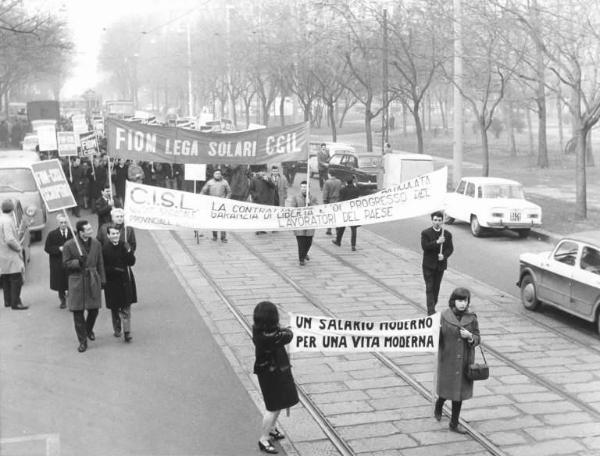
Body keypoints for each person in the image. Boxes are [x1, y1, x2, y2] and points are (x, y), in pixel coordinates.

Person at [252, 301, 299, 454]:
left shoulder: (261, 330)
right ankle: (264, 439)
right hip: (271, 373)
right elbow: (288, 335)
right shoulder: (269, 336)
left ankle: (271, 429)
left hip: (273, 371)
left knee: (278, 403)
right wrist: (290, 328)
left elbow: (281, 333)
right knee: (272, 407)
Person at [435, 287, 480, 434]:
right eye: (459, 300)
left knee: (458, 394)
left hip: (464, 363)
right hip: (448, 360)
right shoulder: (443, 316)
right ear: (453, 300)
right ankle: (439, 404)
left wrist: (470, 336)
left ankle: (453, 423)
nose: (462, 304)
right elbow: (437, 338)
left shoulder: (472, 318)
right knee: (446, 391)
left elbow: (478, 338)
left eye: (465, 300)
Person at [63, 220, 106, 353]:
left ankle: (88, 329)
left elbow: (100, 262)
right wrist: (77, 262)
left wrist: (102, 280)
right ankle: (82, 341)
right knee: (78, 313)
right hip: (77, 281)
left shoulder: (96, 244)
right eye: (87, 229)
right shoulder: (69, 245)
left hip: (92, 279)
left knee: (94, 310)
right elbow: (65, 264)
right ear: (81, 232)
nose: (91, 231)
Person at [102, 224, 136, 342]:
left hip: (125, 281)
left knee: (126, 307)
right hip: (112, 282)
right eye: (113, 234)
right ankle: (117, 328)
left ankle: (127, 332)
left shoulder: (124, 246)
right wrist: (114, 270)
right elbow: (103, 267)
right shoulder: (104, 249)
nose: (115, 236)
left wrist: (129, 252)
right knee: (115, 308)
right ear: (108, 235)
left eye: (117, 233)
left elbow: (131, 262)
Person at [421, 211, 454, 315]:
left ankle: (432, 307)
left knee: (436, 289)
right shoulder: (425, 233)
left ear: (442, 221)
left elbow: (450, 248)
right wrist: (437, 242)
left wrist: (444, 256)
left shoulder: (447, 234)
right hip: (428, 265)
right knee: (429, 288)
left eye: (439, 220)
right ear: (432, 220)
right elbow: (425, 247)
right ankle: (431, 312)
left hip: (440, 266)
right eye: (435, 220)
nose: (437, 222)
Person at [0, 199, 27, 310]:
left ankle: (8, 301)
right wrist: (19, 248)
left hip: (2, 253)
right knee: (16, 278)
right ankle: (16, 303)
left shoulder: (1, 219)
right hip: (10, 253)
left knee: (6, 277)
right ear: (12, 210)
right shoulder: (8, 221)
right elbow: (10, 239)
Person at [44, 213, 73, 308]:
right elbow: (47, 248)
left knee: (71, 280)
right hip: (57, 262)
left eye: (65, 222)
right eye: (61, 222)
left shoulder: (73, 233)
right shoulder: (52, 234)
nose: (63, 224)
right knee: (60, 282)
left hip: (70, 261)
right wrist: (58, 249)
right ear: (58, 223)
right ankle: (62, 300)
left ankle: (71, 298)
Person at [286, 181, 318, 266]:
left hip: (309, 224)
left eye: (306, 187)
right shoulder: (295, 197)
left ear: (308, 188)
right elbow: (292, 209)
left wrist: (310, 202)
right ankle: (301, 259)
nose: (304, 188)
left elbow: (317, 208)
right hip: (299, 224)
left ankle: (304, 253)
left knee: (309, 242)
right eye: (303, 187)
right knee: (301, 242)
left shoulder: (313, 197)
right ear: (300, 188)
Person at [200, 169, 232, 242]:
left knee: (222, 221)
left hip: (222, 204)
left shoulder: (225, 182)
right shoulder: (209, 182)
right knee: (213, 220)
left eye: (219, 173)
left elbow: (229, 192)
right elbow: (203, 191)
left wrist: (226, 199)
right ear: (213, 175)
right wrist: (201, 198)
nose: (218, 175)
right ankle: (214, 236)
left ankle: (223, 237)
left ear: (221, 174)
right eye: (216, 174)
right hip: (212, 203)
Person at [332, 177, 360, 251]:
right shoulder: (356, 189)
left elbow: (340, 200)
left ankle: (338, 241)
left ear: (346, 182)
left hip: (345, 211)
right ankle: (353, 245)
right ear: (352, 181)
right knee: (353, 229)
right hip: (353, 211)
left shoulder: (343, 190)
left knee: (341, 227)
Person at [250, 169, 277, 235]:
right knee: (258, 216)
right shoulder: (254, 179)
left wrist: (267, 180)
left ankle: (263, 229)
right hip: (258, 201)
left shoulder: (268, 178)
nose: (262, 173)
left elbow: (273, 186)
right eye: (260, 171)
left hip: (266, 201)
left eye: (263, 172)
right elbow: (251, 189)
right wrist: (255, 196)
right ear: (258, 172)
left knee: (264, 216)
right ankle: (258, 230)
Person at [321, 170, 342, 235]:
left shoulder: (327, 182)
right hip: (338, 200)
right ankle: (337, 230)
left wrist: (324, 201)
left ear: (329, 174)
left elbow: (325, 193)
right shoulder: (339, 181)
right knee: (337, 216)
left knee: (329, 216)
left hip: (330, 201)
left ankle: (329, 230)